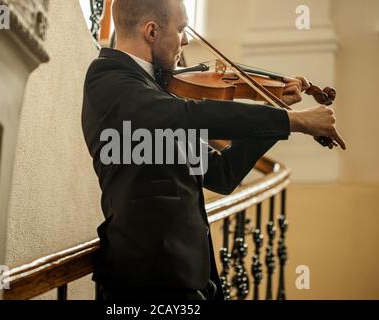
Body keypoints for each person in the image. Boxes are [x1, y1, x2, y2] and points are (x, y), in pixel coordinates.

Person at [81, 0, 345, 301]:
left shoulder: (159, 95)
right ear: (151, 31)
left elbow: (222, 173)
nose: (186, 39)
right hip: (146, 284)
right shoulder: (109, 80)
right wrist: (291, 121)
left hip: (192, 277)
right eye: (181, 29)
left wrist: (273, 107)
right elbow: (193, 114)